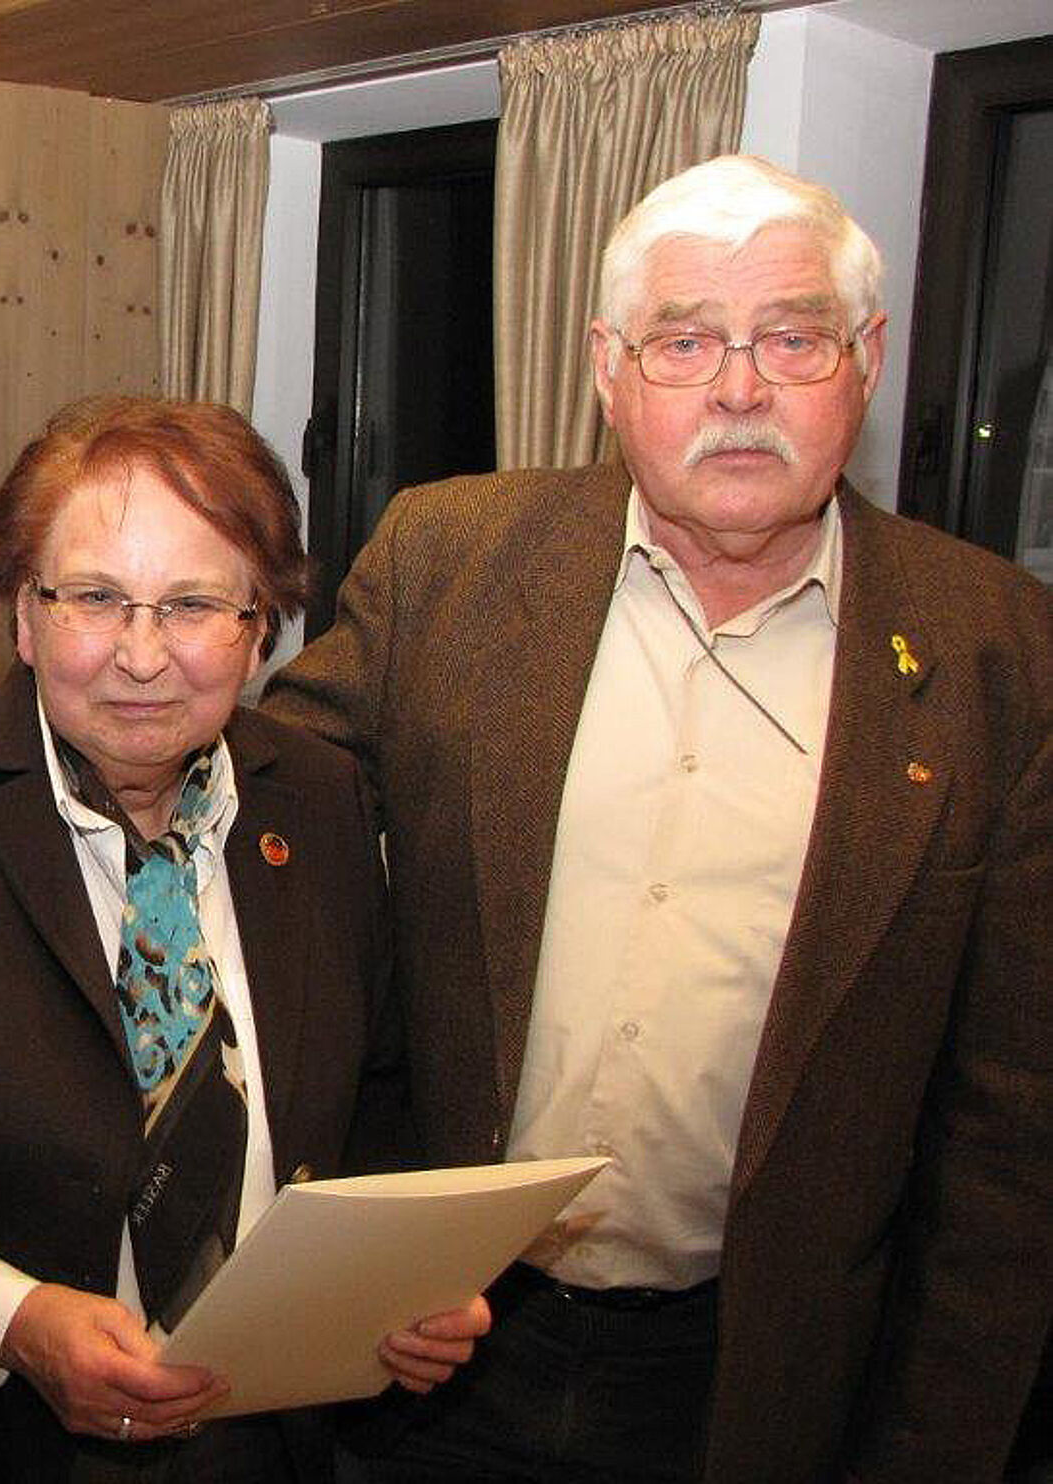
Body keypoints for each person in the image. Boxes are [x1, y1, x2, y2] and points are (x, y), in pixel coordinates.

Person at [265, 154, 1052, 1484]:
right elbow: (258, 815)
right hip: (434, 1345)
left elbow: (1012, 1130)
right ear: (607, 369)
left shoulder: (1000, 652)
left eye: (791, 338)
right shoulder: (448, 560)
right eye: (686, 341)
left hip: (761, 1376)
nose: (739, 389)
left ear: (865, 360)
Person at [0, 395, 489, 1481]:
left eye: (194, 604)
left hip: (275, 1443)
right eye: (97, 598)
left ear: (262, 628)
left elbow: (383, 1100)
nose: (142, 655)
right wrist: (13, 1319)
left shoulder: (322, 801)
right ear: (22, 614)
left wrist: (402, 1286)